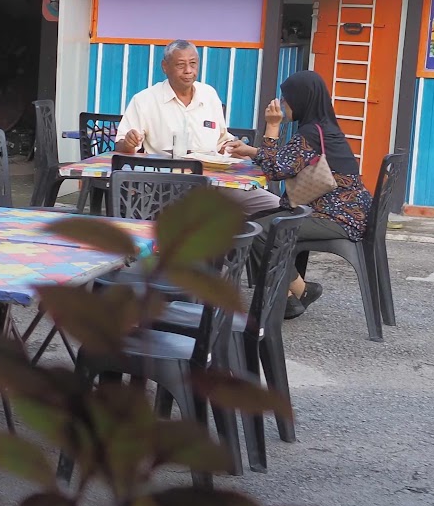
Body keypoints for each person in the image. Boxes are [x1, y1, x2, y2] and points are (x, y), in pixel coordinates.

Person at [225, 70, 374, 320]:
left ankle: (289, 297)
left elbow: (276, 170)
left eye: (287, 98)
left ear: (302, 99)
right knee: (256, 221)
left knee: (259, 229)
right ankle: (297, 292)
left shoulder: (311, 133)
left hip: (338, 218)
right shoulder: (321, 127)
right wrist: (251, 151)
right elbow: (287, 161)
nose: (282, 104)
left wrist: (272, 126)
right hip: (340, 212)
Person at [114, 39, 283, 215]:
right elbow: (121, 147)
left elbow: (221, 142)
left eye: (193, 64)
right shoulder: (145, 100)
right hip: (166, 188)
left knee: (278, 208)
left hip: (217, 183)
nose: (188, 71)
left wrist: (233, 148)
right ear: (165, 67)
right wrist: (129, 143)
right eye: (181, 65)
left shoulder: (209, 95)